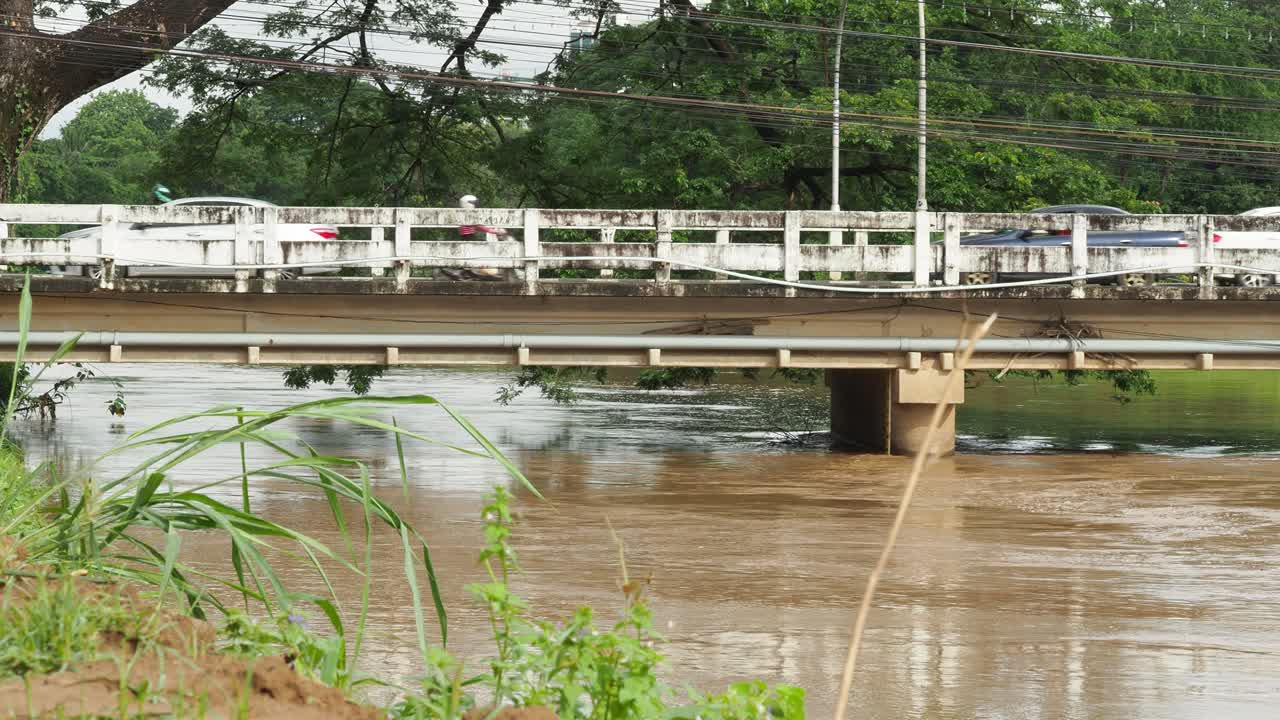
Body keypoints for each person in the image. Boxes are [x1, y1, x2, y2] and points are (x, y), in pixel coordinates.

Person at [450, 194, 509, 280]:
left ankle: (467, 272)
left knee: (468, 254)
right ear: (469, 204)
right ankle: (465, 272)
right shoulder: (468, 217)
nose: (476, 206)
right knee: (474, 253)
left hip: (466, 237)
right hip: (469, 237)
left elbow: (477, 226)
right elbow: (480, 227)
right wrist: (496, 231)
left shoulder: (463, 216)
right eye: (474, 204)